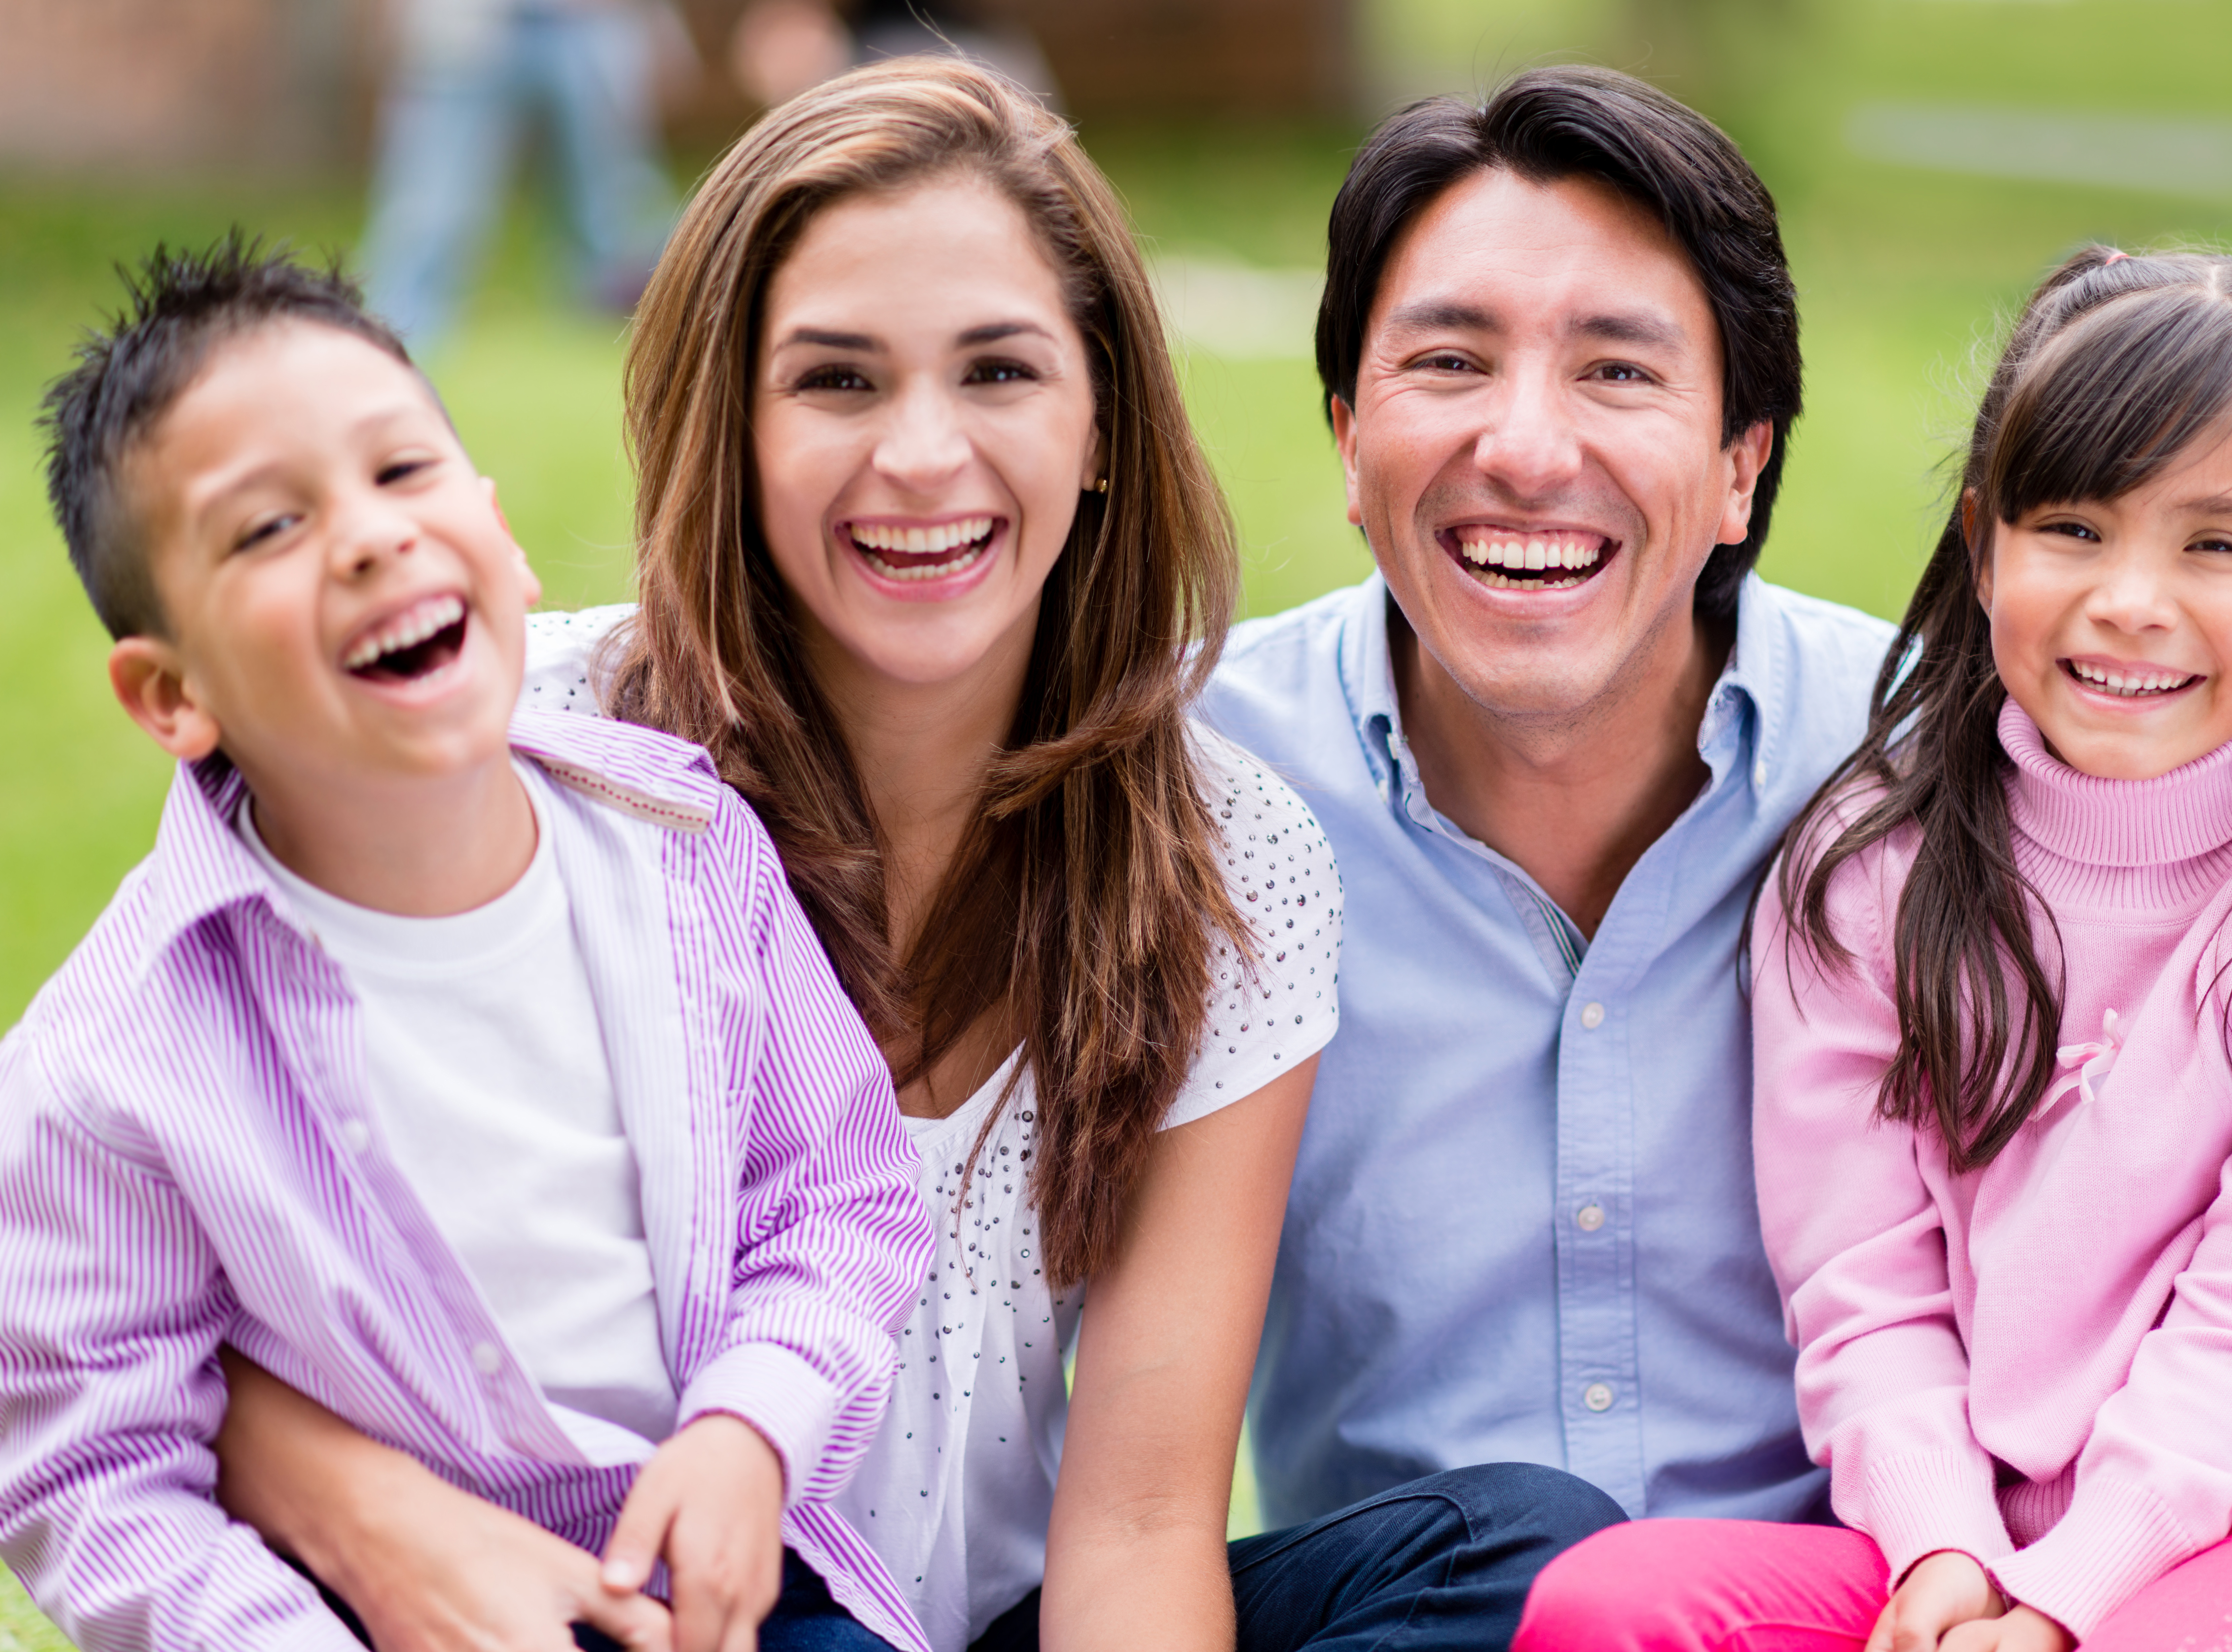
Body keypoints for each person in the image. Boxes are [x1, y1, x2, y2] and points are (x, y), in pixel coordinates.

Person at [207, 60, 1621, 1652]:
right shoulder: (520, 756)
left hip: (985, 1618)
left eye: (999, 372)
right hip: (624, 1601)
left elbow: (1146, 1515)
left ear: (1098, 423)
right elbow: (165, 1284)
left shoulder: (1224, 858)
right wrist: (399, 1539)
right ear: (727, 428)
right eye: (835, 382)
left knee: (1523, 1554)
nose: (922, 456)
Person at [1517, 250, 2232, 1650]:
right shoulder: (1870, 873)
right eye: (2075, 529)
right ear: (1983, 549)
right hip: (1980, 1526)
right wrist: (1948, 1551)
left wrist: (2065, 1602)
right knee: (1615, 1607)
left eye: (2214, 545)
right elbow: (1862, 1281)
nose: (2130, 600)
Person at [1, 241, 932, 1650]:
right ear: (171, 693)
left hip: (739, 1587)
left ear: (494, 534)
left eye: (403, 472)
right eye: (268, 528)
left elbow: (840, 1192)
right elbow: (96, 1471)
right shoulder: (108, 1071)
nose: (372, 536)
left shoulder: (685, 847)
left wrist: (756, 1425)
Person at [1200, 68, 1898, 1532]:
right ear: (1345, 435)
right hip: (1407, 1616)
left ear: (1738, 466)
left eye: (1619, 370)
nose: (1523, 448)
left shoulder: (1938, 768)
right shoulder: (1187, 792)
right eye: (1448, 362)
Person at [360, 0, 679, 350]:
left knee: (620, 209)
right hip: (467, 24)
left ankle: (655, 337)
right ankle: (395, 339)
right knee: (432, 207)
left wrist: (657, 22)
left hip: (590, 21)